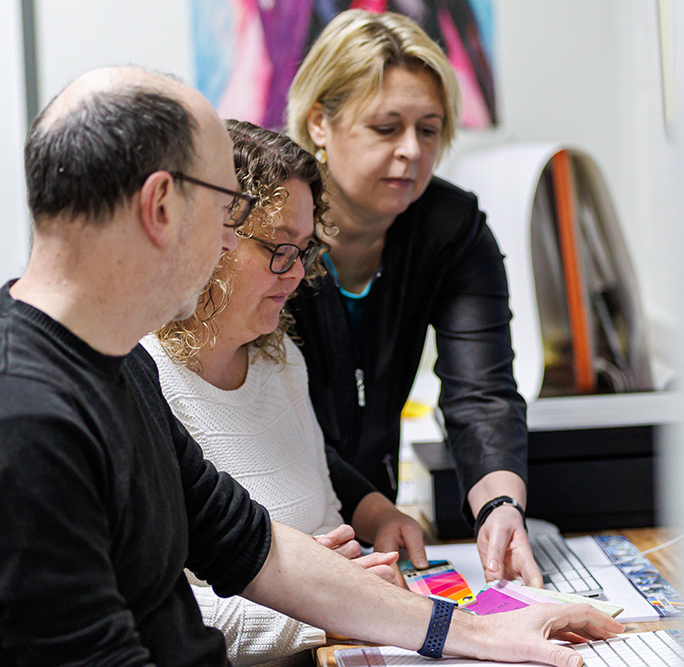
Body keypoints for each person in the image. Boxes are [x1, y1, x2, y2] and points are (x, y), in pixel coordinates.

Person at [0, 65, 621, 667]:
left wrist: (477, 632)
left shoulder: (108, 365)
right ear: (160, 207)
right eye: (225, 206)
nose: (225, 241)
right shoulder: (20, 420)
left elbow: (257, 549)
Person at [285, 9, 544, 587]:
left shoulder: (452, 229)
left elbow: (482, 394)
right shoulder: (269, 235)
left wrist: (501, 505)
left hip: (381, 528)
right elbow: (267, 417)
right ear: (320, 122)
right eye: (386, 127)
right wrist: (368, 505)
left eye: (428, 130)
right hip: (281, 519)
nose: (411, 150)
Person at [140, 120, 408, 665]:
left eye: (304, 251)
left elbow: (330, 521)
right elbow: (165, 617)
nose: (293, 276)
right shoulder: (143, 381)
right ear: (209, 238)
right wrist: (334, 609)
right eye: (279, 248)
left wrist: (361, 579)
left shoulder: (280, 358)